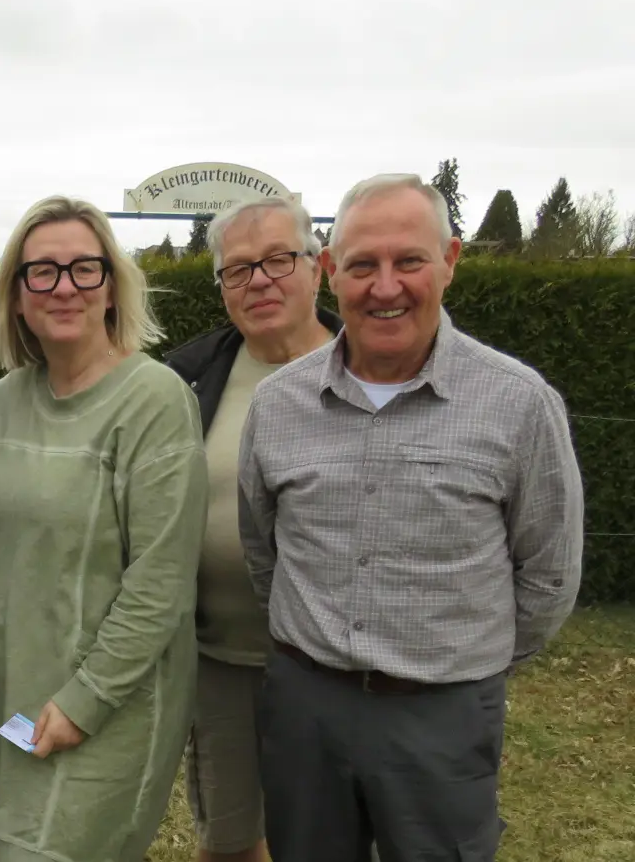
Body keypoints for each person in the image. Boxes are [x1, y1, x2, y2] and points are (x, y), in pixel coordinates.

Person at [238, 173, 584, 862]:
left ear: (450, 262)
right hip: (306, 708)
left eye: (409, 261)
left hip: (443, 717)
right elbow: (262, 550)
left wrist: (462, 663)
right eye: (363, 265)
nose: (385, 286)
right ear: (330, 272)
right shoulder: (277, 406)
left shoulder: (518, 404)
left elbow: (548, 576)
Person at [0, 195, 209, 862]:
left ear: (111, 286)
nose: (64, 287)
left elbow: (161, 581)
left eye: (84, 269)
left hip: (108, 707)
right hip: (10, 696)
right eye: (43, 271)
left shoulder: (154, 401)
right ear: (15, 294)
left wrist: (84, 702)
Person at [162, 197, 340, 862]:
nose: (258, 281)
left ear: (318, 268)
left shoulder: (372, 371)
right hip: (218, 661)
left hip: (336, 671)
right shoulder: (188, 377)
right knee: (231, 841)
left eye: (276, 260)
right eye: (237, 271)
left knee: (333, 836)